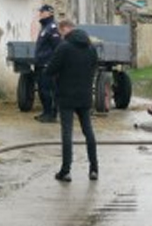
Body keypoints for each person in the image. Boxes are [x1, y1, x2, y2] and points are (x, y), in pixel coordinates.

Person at [46, 19, 99, 182]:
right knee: (88, 131)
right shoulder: (91, 48)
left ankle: (66, 171)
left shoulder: (64, 47)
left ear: (65, 29)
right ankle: (94, 169)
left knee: (67, 133)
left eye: (61, 33)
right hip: (84, 96)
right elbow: (94, 67)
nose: (61, 36)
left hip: (66, 95)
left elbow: (51, 70)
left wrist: (55, 79)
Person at [33, 4, 60, 123]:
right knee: (42, 90)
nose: (40, 13)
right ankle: (45, 112)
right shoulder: (44, 27)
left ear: (49, 13)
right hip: (40, 64)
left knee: (48, 90)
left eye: (42, 11)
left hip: (47, 65)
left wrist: (51, 64)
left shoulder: (52, 28)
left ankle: (51, 114)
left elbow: (57, 48)